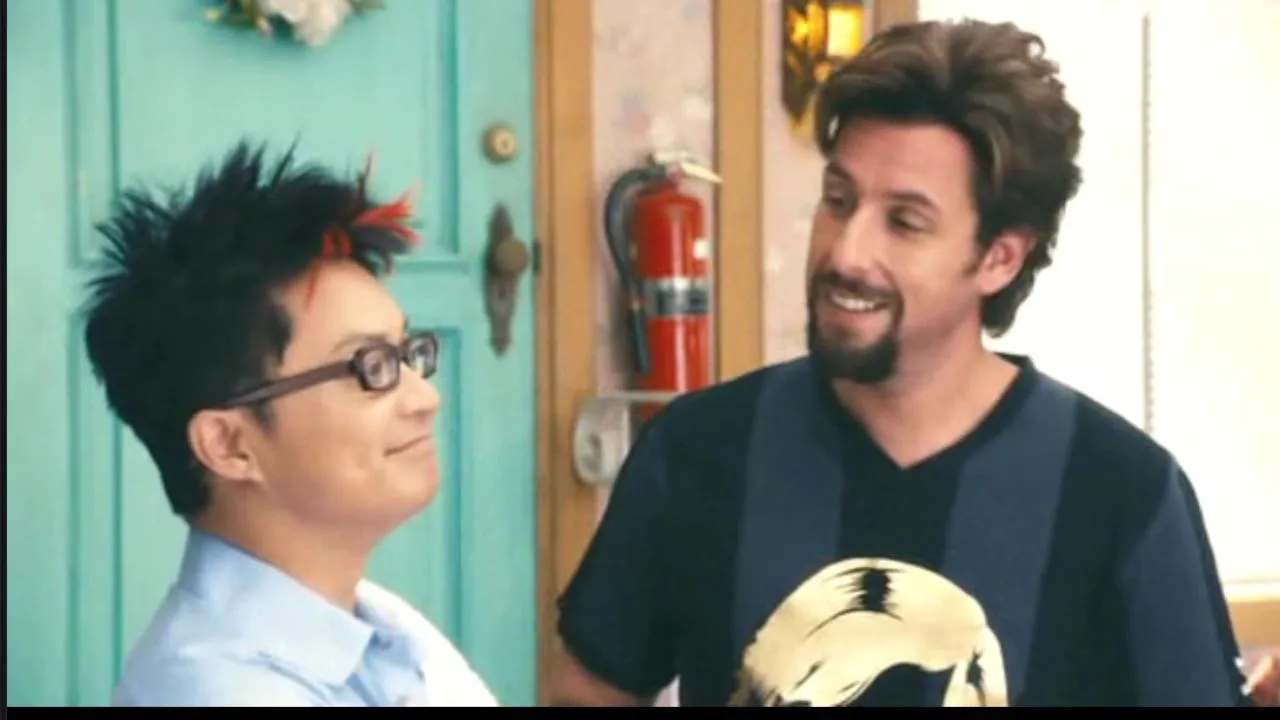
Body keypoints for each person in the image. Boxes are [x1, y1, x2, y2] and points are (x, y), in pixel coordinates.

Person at [550, 19, 1258, 707]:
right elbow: (589, 692)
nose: (846, 251)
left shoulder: (1124, 495)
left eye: (905, 222)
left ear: (999, 257)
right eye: (838, 201)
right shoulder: (697, 450)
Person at [86, 142, 496, 707]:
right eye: (371, 367)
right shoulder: (221, 691)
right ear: (229, 444)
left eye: (408, 354)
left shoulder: (380, 625)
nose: (426, 398)